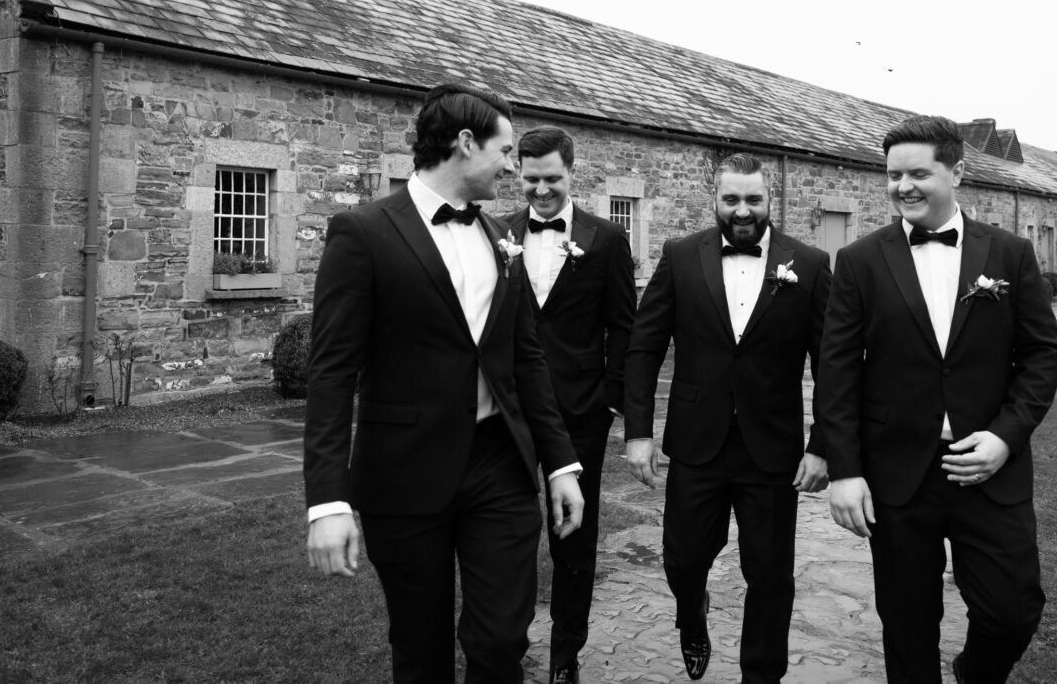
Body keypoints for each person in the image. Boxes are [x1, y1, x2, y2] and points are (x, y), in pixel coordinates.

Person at [303, 82, 585, 684]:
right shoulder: (363, 232)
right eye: (505, 151)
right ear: (465, 143)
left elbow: (525, 356)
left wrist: (560, 464)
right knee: (420, 646)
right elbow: (330, 372)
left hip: (499, 467)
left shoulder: (498, 237)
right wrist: (327, 501)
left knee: (503, 637)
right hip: (404, 473)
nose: (514, 166)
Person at [816, 115, 1057, 684]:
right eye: (893, 174)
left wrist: (1005, 436)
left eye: (918, 173)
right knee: (906, 626)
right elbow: (836, 370)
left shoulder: (1010, 253)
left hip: (987, 471)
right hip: (897, 474)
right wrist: (845, 470)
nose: (903, 186)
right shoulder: (858, 260)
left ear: (957, 172)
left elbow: (1042, 356)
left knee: (1012, 611)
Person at [624, 152, 832, 683]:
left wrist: (822, 443)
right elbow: (645, 347)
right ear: (714, 199)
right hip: (697, 441)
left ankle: (761, 675)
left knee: (769, 574)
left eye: (754, 199)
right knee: (683, 560)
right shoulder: (679, 254)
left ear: (769, 201)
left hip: (772, 447)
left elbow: (831, 362)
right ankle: (691, 615)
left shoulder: (807, 264)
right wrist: (639, 432)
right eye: (732, 199)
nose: (743, 210)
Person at [505, 126, 636, 684]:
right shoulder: (497, 232)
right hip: (509, 410)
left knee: (573, 537)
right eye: (531, 180)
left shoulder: (605, 239)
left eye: (551, 179)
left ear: (571, 172)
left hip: (580, 410)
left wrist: (610, 400)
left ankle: (565, 655)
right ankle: (506, 648)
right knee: (507, 532)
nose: (540, 191)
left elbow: (623, 327)